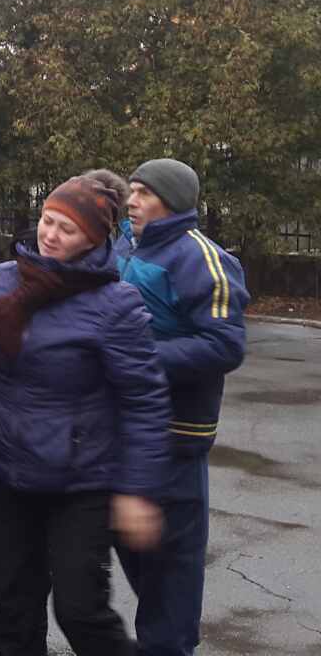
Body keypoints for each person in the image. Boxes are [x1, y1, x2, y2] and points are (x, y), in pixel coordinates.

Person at [0, 174, 170, 656]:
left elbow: (145, 403)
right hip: (9, 473)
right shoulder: (2, 282)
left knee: (81, 611)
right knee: (14, 610)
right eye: (48, 220)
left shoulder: (116, 305)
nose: (50, 234)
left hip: (82, 483)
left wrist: (138, 491)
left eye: (67, 229)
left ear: (93, 238)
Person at [113, 160, 248, 656]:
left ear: (172, 201)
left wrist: (139, 357)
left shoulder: (202, 258)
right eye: (131, 190)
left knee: (171, 577)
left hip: (176, 439)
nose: (132, 201)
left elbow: (224, 345)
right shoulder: (125, 246)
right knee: (136, 554)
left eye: (144, 193)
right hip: (119, 435)